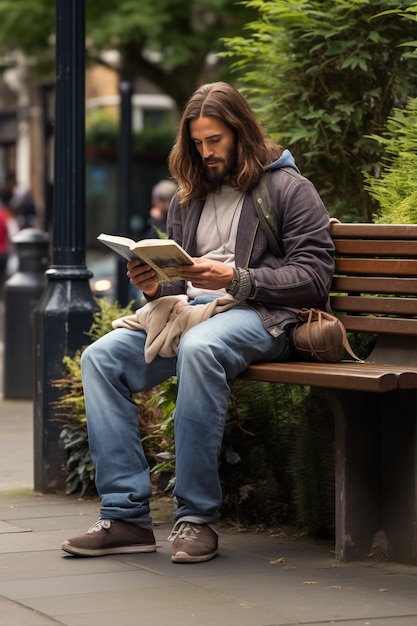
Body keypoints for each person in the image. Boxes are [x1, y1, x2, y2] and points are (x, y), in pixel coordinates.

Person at [62, 82, 335, 563]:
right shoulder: (188, 198)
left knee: (201, 348)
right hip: (191, 314)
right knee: (101, 358)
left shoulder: (288, 188)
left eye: (215, 140)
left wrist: (239, 278)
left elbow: (314, 277)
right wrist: (153, 285)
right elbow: (177, 284)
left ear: (240, 132)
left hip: (260, 315)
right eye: (197, 142)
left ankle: (195, 517)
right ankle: (126, 517)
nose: (206, 152)